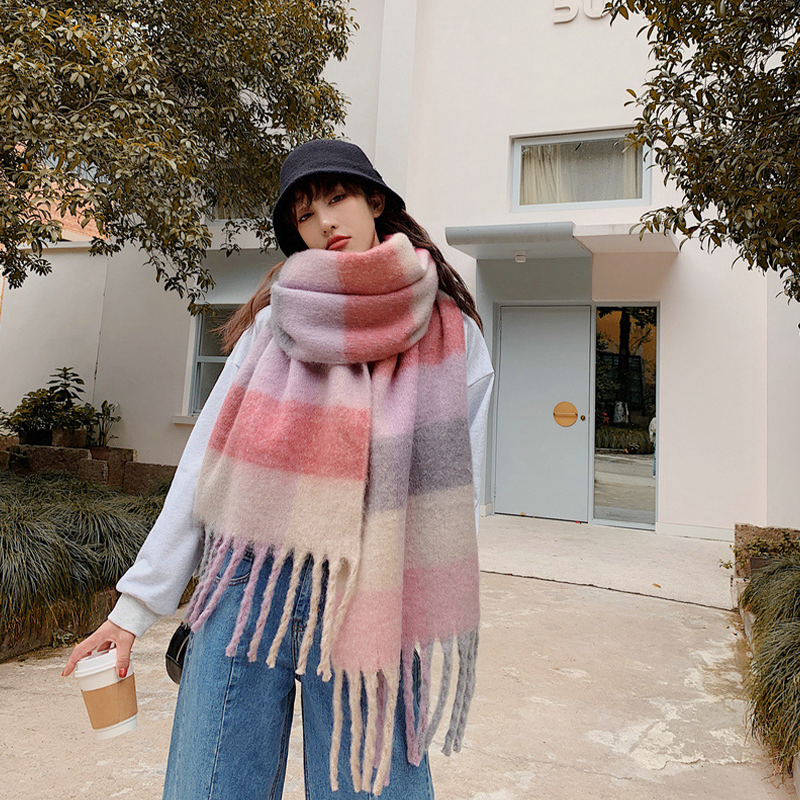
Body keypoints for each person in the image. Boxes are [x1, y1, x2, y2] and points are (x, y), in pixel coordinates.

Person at [61, 139, 495, 799]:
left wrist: (417, 589)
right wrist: (134, 608)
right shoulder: (275, 324)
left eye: (337, 198)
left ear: (375, 201)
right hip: (249, 581)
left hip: (370, 587)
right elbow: (206, 464)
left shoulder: (452, 333)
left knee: (371, 787)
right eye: (305, 214)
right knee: (211, 788)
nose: (325, 222)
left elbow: (459, 488)